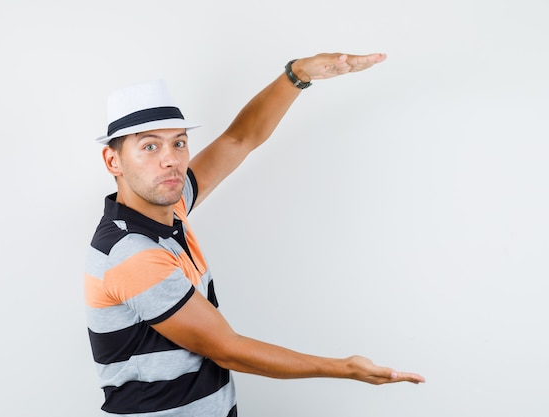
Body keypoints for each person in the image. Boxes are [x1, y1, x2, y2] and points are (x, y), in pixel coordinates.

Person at [84, 52, 425, 417]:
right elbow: (227, 348)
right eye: (150, 146)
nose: (171, 160)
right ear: (113, 161)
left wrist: (297, 75)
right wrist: (345, 368)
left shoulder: (169, 205)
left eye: (178, 143)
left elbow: (239, 138)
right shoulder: (131, 252)